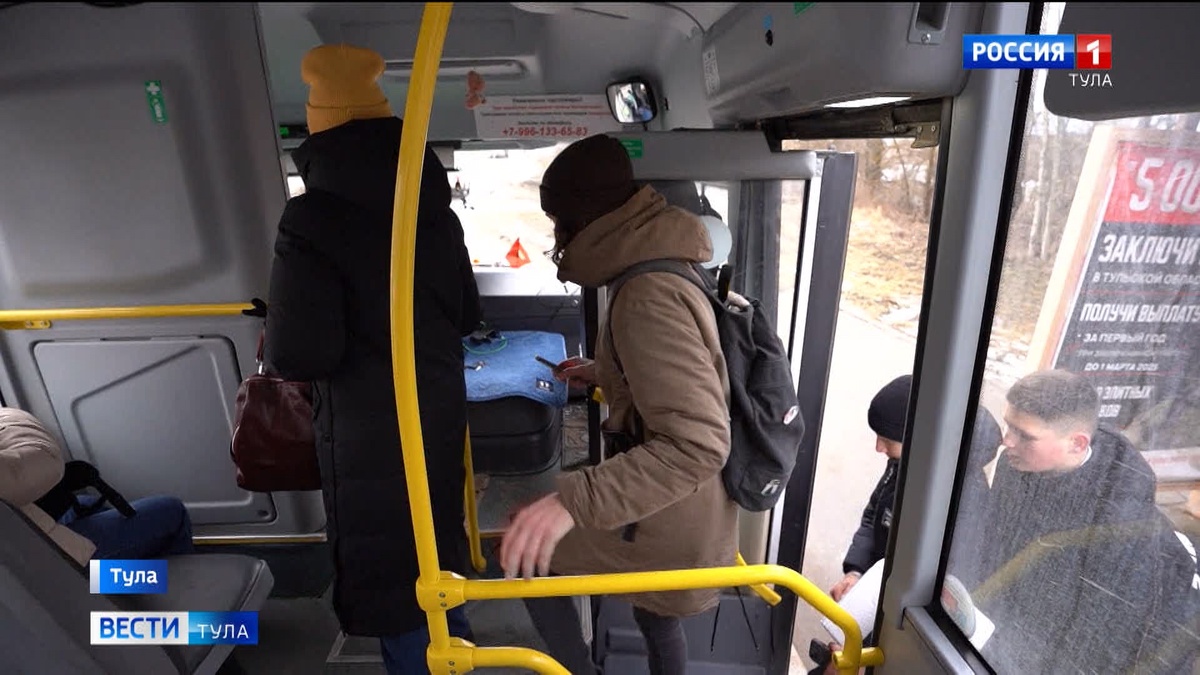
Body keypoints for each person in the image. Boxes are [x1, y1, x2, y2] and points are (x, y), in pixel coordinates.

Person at [263, 44, 481, 675]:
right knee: (434, 549)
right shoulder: (433, 209)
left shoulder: (310, 219)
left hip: (367, 425)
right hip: (435, 405)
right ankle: (458, 650)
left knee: (391, 577)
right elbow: (468, 313)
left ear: (318, 133)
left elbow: (300, 352)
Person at [500, 134, 738, 675]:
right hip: (692, 508)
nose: (556, 239)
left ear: (583, 220)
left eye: (557, 222)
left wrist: (570, 503)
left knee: (523, 551)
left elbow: (697, 445)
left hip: (672, 517)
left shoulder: (648, 294)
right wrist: (603, 370)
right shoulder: (664, 264)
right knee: (656, 616)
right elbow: (677, 378)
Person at [970, 370, 1199, 674]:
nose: (1006, 441)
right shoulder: (1016, 465)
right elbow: (999, 541)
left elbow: (1099, 640)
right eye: (1009, 425)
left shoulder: (1115, 522)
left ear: (1077, 444)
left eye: (1025, 435)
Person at [0, 406, 194, 564]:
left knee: (88, 503)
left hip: (27, 531)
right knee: (173, 511)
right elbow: (42, 461)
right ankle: (143, 583)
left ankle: (126, 576)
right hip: (49, 562)